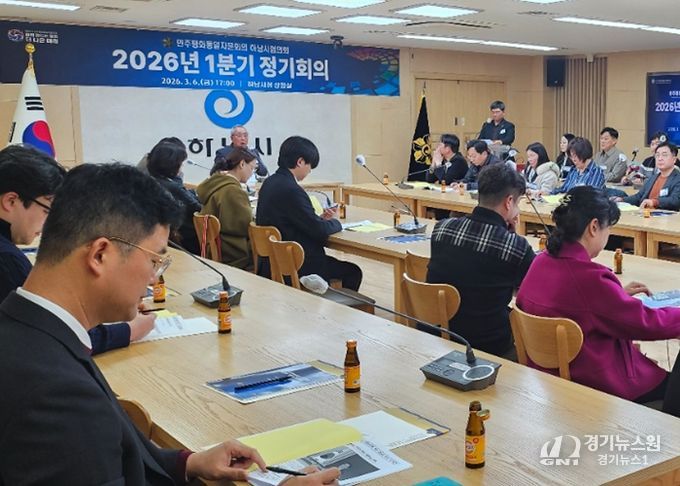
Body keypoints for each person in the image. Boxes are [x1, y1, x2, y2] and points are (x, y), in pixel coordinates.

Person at [0, 163, 340, 485]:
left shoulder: (30, 332)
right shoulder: (57, 395)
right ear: (100, 255)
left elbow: (117, 457)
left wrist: (188, 463)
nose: (154, 278)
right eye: (154, 260)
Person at [516, 186, 680, 417]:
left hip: (545, 378)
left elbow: (579, 304)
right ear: (594, 227)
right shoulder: (590, 279)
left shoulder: (540, 261)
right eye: (608, 228)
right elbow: (646, 323)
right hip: (596, 384)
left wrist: (615, 296)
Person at [0, 145, 153, 355]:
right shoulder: (6, 259)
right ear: (11, 201)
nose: (50, 224)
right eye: (48, 210)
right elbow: (50, 335)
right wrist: (129, 330)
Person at [427, 164, 535, 358]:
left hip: (436, 332)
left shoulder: (441, 228)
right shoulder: (516, 247)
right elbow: (528, 292)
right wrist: (512, 235)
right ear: (509, 202)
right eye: (517, 203)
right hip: (487, 344)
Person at [256, 136, 362, 291]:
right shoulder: (292, 190)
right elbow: (319, 231)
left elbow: (295, 219)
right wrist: (335, 222)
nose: (309, 171)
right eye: (310, 165)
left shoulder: (270, 182)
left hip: (270, 262)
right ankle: (336, 306)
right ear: (300, 162)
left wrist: (319, 219)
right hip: (297, 265)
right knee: (353, 272)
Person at [197, 148, 256, 270]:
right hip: (234, 252)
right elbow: (244, 227)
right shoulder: (232, 191)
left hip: (216, 248)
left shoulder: (216, 184)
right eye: (252, 168)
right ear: (242, 164)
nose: (252, 173)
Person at [147, 141, 202, 255]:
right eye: (180, 163)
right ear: (171, 164)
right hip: (186, 237)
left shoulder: (153, 180)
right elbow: (197, 207)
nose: (182, 166)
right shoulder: (171, 186)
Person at [614, 141, 680, 210]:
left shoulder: (677, 179)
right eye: (657, 155)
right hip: (645, 213)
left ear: (674, 159)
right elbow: (639, 196)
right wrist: (622, 199)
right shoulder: (653, 178)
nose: (660, 158)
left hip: (666, 215)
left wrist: (654, 202)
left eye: (664, 155)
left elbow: (676, 200)